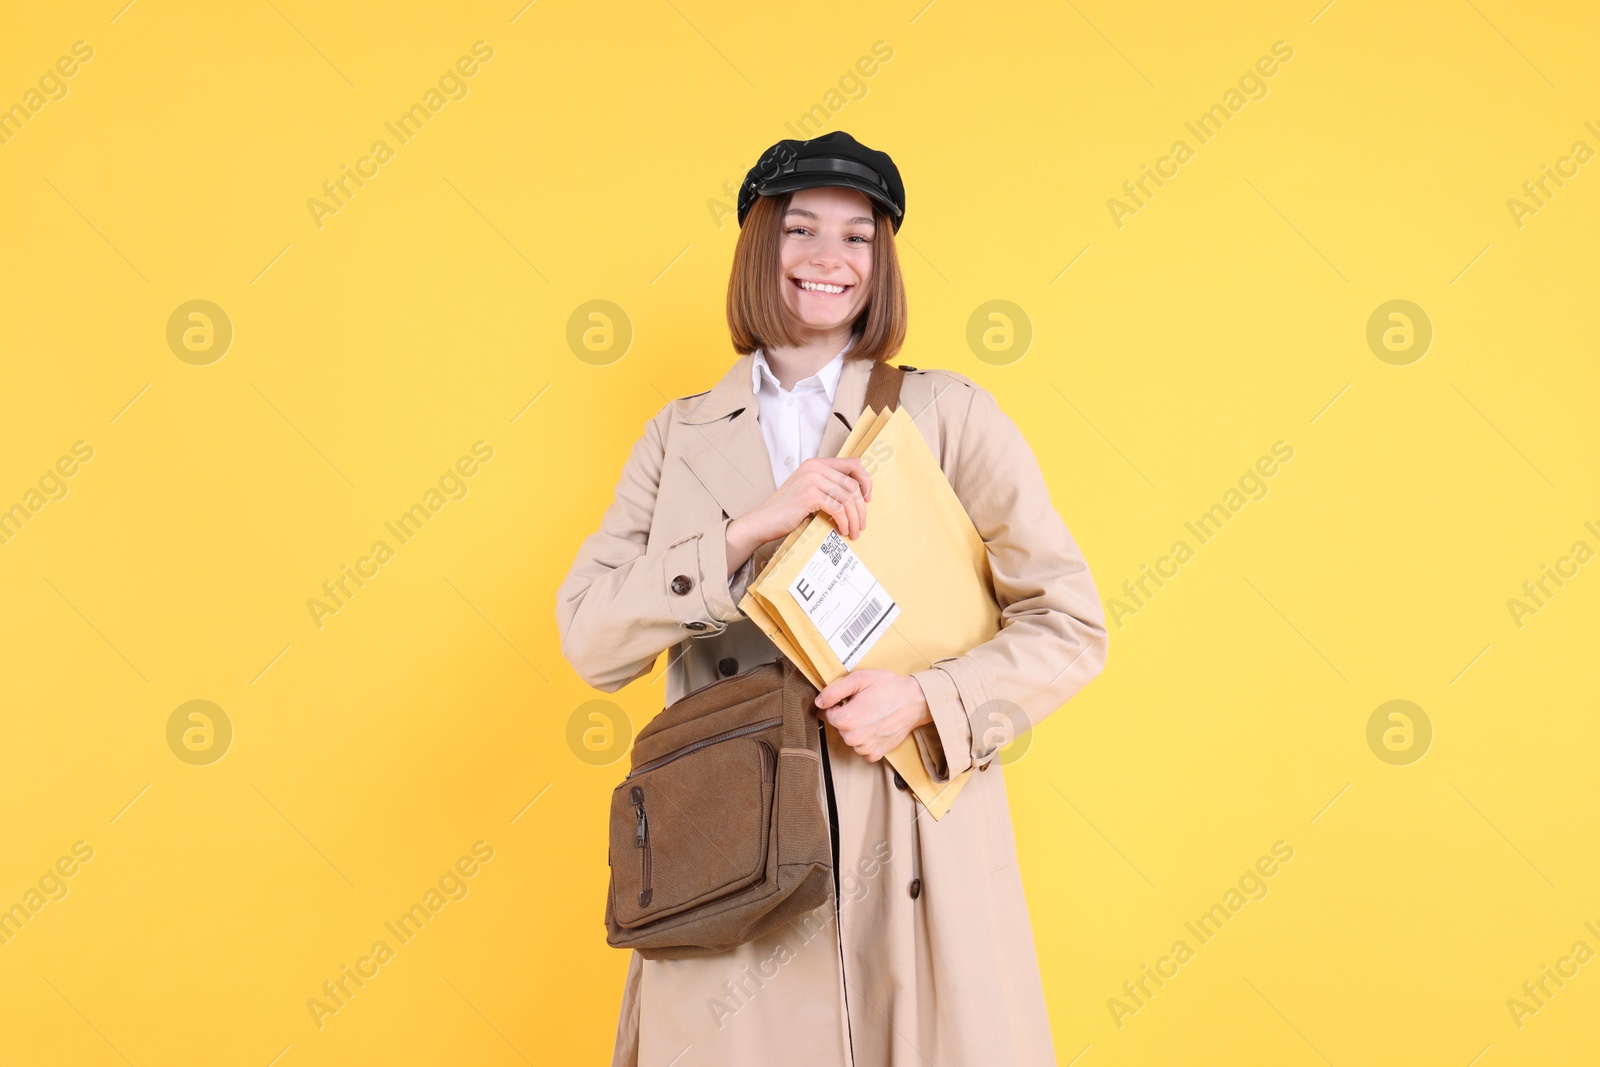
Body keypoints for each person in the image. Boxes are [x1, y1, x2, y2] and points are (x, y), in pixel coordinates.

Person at [556, 130, 1108, 1067]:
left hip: (913, 844)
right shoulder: (678, 437)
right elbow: (590, 638)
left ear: (880, 264)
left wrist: (930, 700)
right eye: (800, 229)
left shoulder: (946, 414)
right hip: (733, 846)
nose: (828, 259)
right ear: (758, 249)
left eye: (859, 237)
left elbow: (1071, 624)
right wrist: (741, 536)